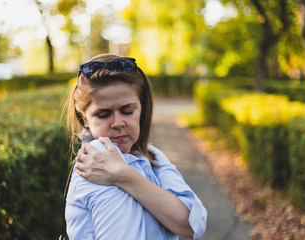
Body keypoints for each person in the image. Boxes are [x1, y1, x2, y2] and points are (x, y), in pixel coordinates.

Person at [64, 53, 207, 240]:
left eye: (127, 111)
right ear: (84, 118)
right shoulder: (93, 167)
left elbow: (192, 224)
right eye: (103, 114)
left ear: (142, 109)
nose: (118, 123)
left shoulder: (151, 155)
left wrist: (123, 175)